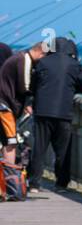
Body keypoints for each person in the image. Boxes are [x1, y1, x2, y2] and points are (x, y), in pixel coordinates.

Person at [30, 37, 82, 191]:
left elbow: (33, 85)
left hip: (42, 112)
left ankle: (34, 183)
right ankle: (61, 183)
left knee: (39, 148)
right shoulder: (74, 65)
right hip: (63, 113)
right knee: (62, 150)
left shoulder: (43, 62)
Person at [0, 41, 47, 199]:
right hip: (4, 106)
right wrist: (30, 102)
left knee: (5, 141)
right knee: (10, 142)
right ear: (41, 53)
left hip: (4, 104)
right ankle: (10, 183)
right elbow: (24, 87)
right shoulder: (24, 61)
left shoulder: (19, 58)